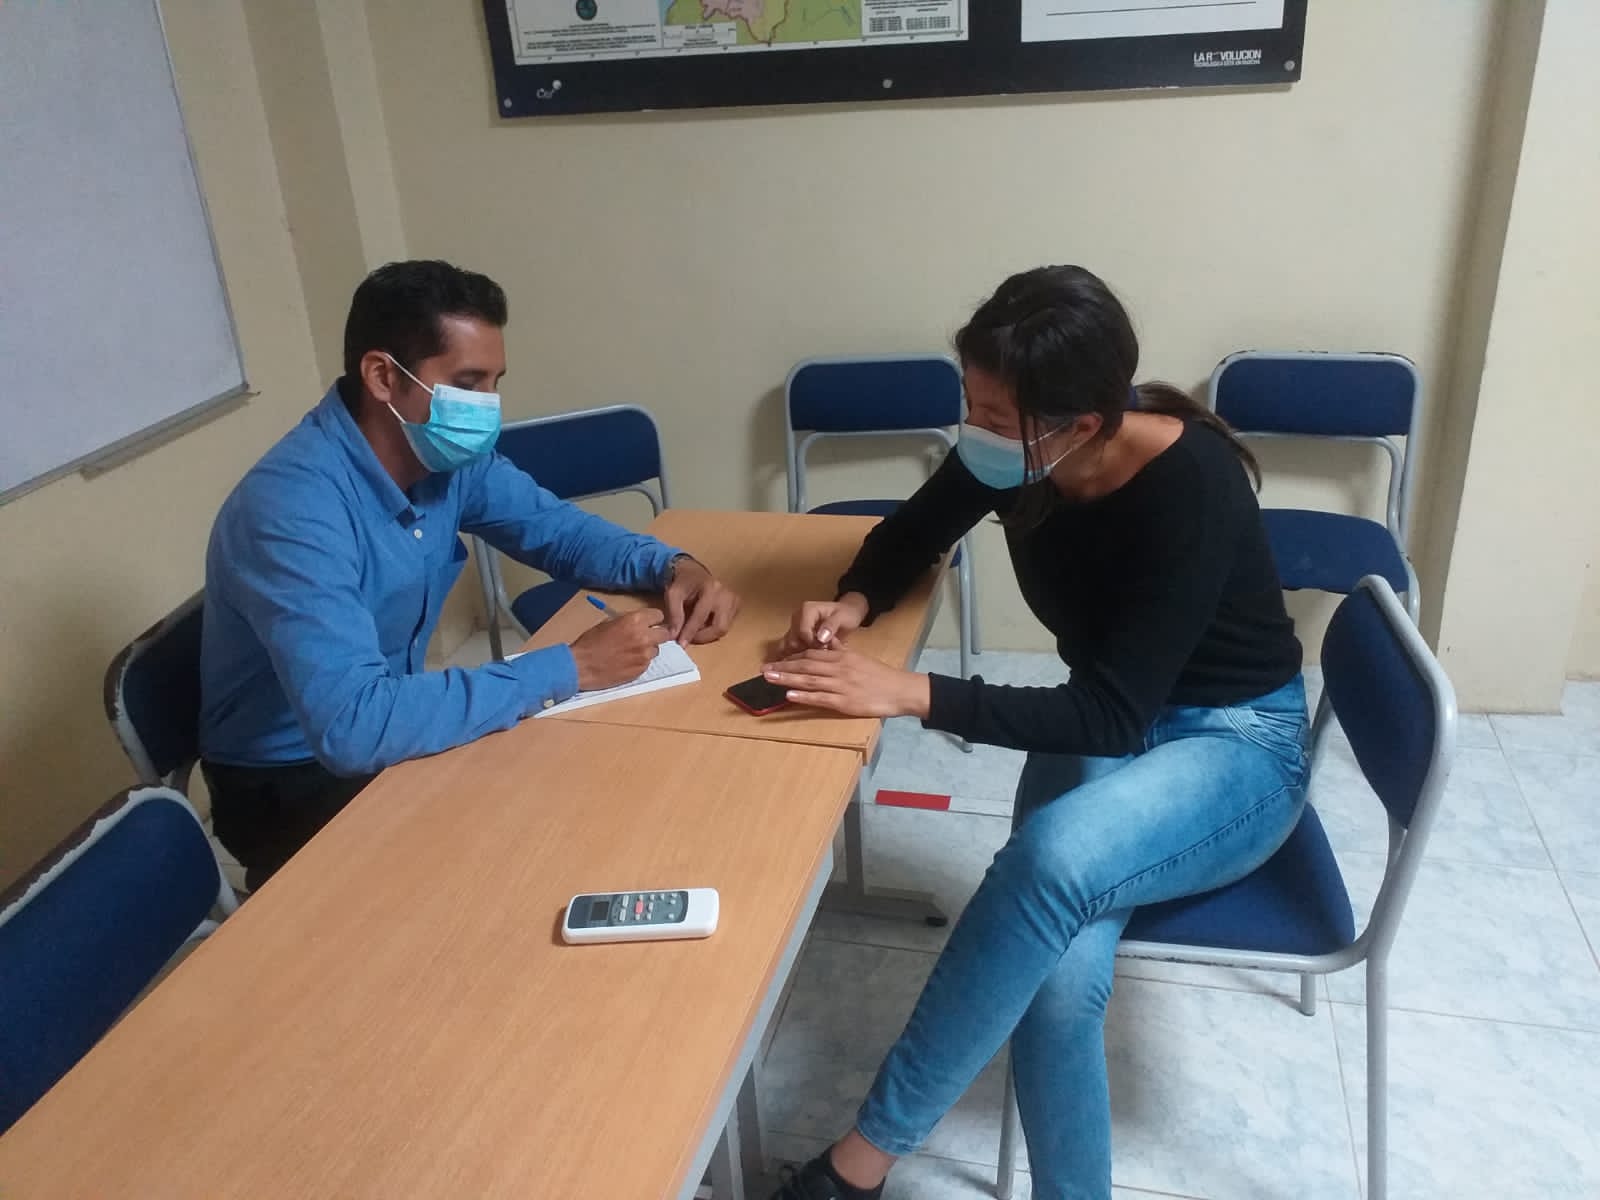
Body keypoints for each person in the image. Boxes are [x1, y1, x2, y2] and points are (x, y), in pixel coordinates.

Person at [763, 265, 1308, 1200]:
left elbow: (1108, 715)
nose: (971, 428)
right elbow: (913, 531)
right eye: (969, 401)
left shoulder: (1193, 486)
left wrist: (908, 692)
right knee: (1054, 981)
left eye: (992, 413)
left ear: (1081, 424)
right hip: (1119, 715)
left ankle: (854, 1170)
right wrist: (854, 600)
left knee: (1049, 862)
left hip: (1235, 745)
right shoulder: (1019, 454)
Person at [199, 260, 738, 891]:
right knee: (515, 859)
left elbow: (558, 532)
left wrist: (672, 565)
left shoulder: (443, 459)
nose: (486, 407)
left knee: (588, 795)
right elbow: (352, 728)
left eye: (494, 383)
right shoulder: (292, 509)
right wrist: (575, 667)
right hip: (291, 779)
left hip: (388, 718)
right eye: (467, 383)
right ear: (382, 377)